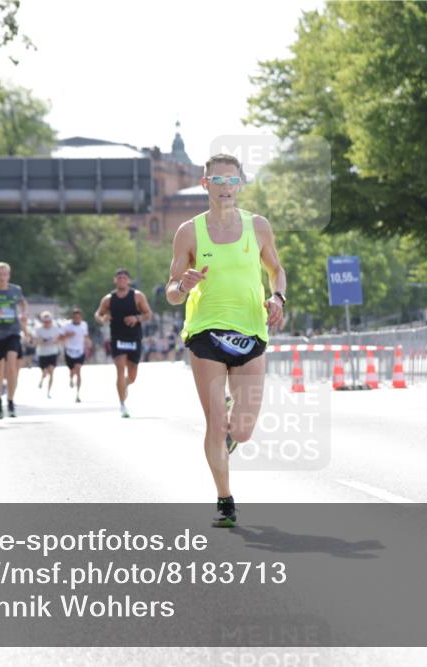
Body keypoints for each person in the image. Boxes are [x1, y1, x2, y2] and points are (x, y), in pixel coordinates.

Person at [165, 153, 286, 528]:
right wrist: (181, 286)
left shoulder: (258, 226)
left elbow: (276, 270)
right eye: (217, 181)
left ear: (240, 184)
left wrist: (277, 297)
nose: (225, 188)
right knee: (216, 423)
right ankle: (225, 499)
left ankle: (230, 436)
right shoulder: (189, 231)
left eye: (232, 181)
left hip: (251, 331)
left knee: (242, 430)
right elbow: (171, 291)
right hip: (207, 332)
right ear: (206, 185)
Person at [94, 269, 153, 418]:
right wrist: (103, 319)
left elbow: (148, 314)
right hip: (117, 338)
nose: (121, 280)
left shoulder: (137, 296)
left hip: (134, 337)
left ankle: (125, 384)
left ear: (128, 281)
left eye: (124, 278)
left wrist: (137, 318)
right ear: (115, 280)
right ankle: (122, 404)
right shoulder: (108, 298)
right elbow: (98, 314)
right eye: (119, 277)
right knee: (120, 369)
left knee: (132, 376)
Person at [0, 261, 29, 419]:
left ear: (9, 275)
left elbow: (24, 303)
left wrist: (24, 313)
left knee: (12, 365)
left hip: (13, 331)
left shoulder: (16, 290)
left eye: (5, 274)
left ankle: (10, 400)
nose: (2, 277)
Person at [59, 306, 91, 403]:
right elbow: (60, 338)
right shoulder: (66, 325)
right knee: (72, 370)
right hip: (69, 350)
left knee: (78, 370)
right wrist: (68, 335)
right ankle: (71, 377)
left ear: (81, 317)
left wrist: (88, 344)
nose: (77, 319)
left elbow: (86, 336)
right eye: (75, 317)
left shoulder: (84, 325)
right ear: (72, 317)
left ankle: (78, 394)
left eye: (78, 317)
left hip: (79, 351)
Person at [33, 311, 61, 398]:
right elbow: (36, 341)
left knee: (51, 371)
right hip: (42, 353)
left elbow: (59, 339)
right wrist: (42, 341)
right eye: (45, 321)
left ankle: (48, 392)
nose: (47, 323)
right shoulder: (38, 329)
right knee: (45, 372)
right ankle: (42, 379)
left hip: (52, 352)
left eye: (48, 321)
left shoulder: (55, 328)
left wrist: (55, 341)